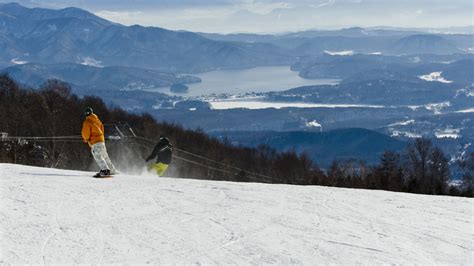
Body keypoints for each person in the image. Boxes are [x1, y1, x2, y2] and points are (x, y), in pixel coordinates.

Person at [81, 107, 117, 177]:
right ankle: (112, 170)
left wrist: (86, 139)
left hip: (95, 142)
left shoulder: (87, 122)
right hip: (101, 140)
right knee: (105, 156)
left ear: (85, 114)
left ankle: (105, 170)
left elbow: (86, 133)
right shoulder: (97, 120)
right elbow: (102, 130)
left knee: (97, 156)